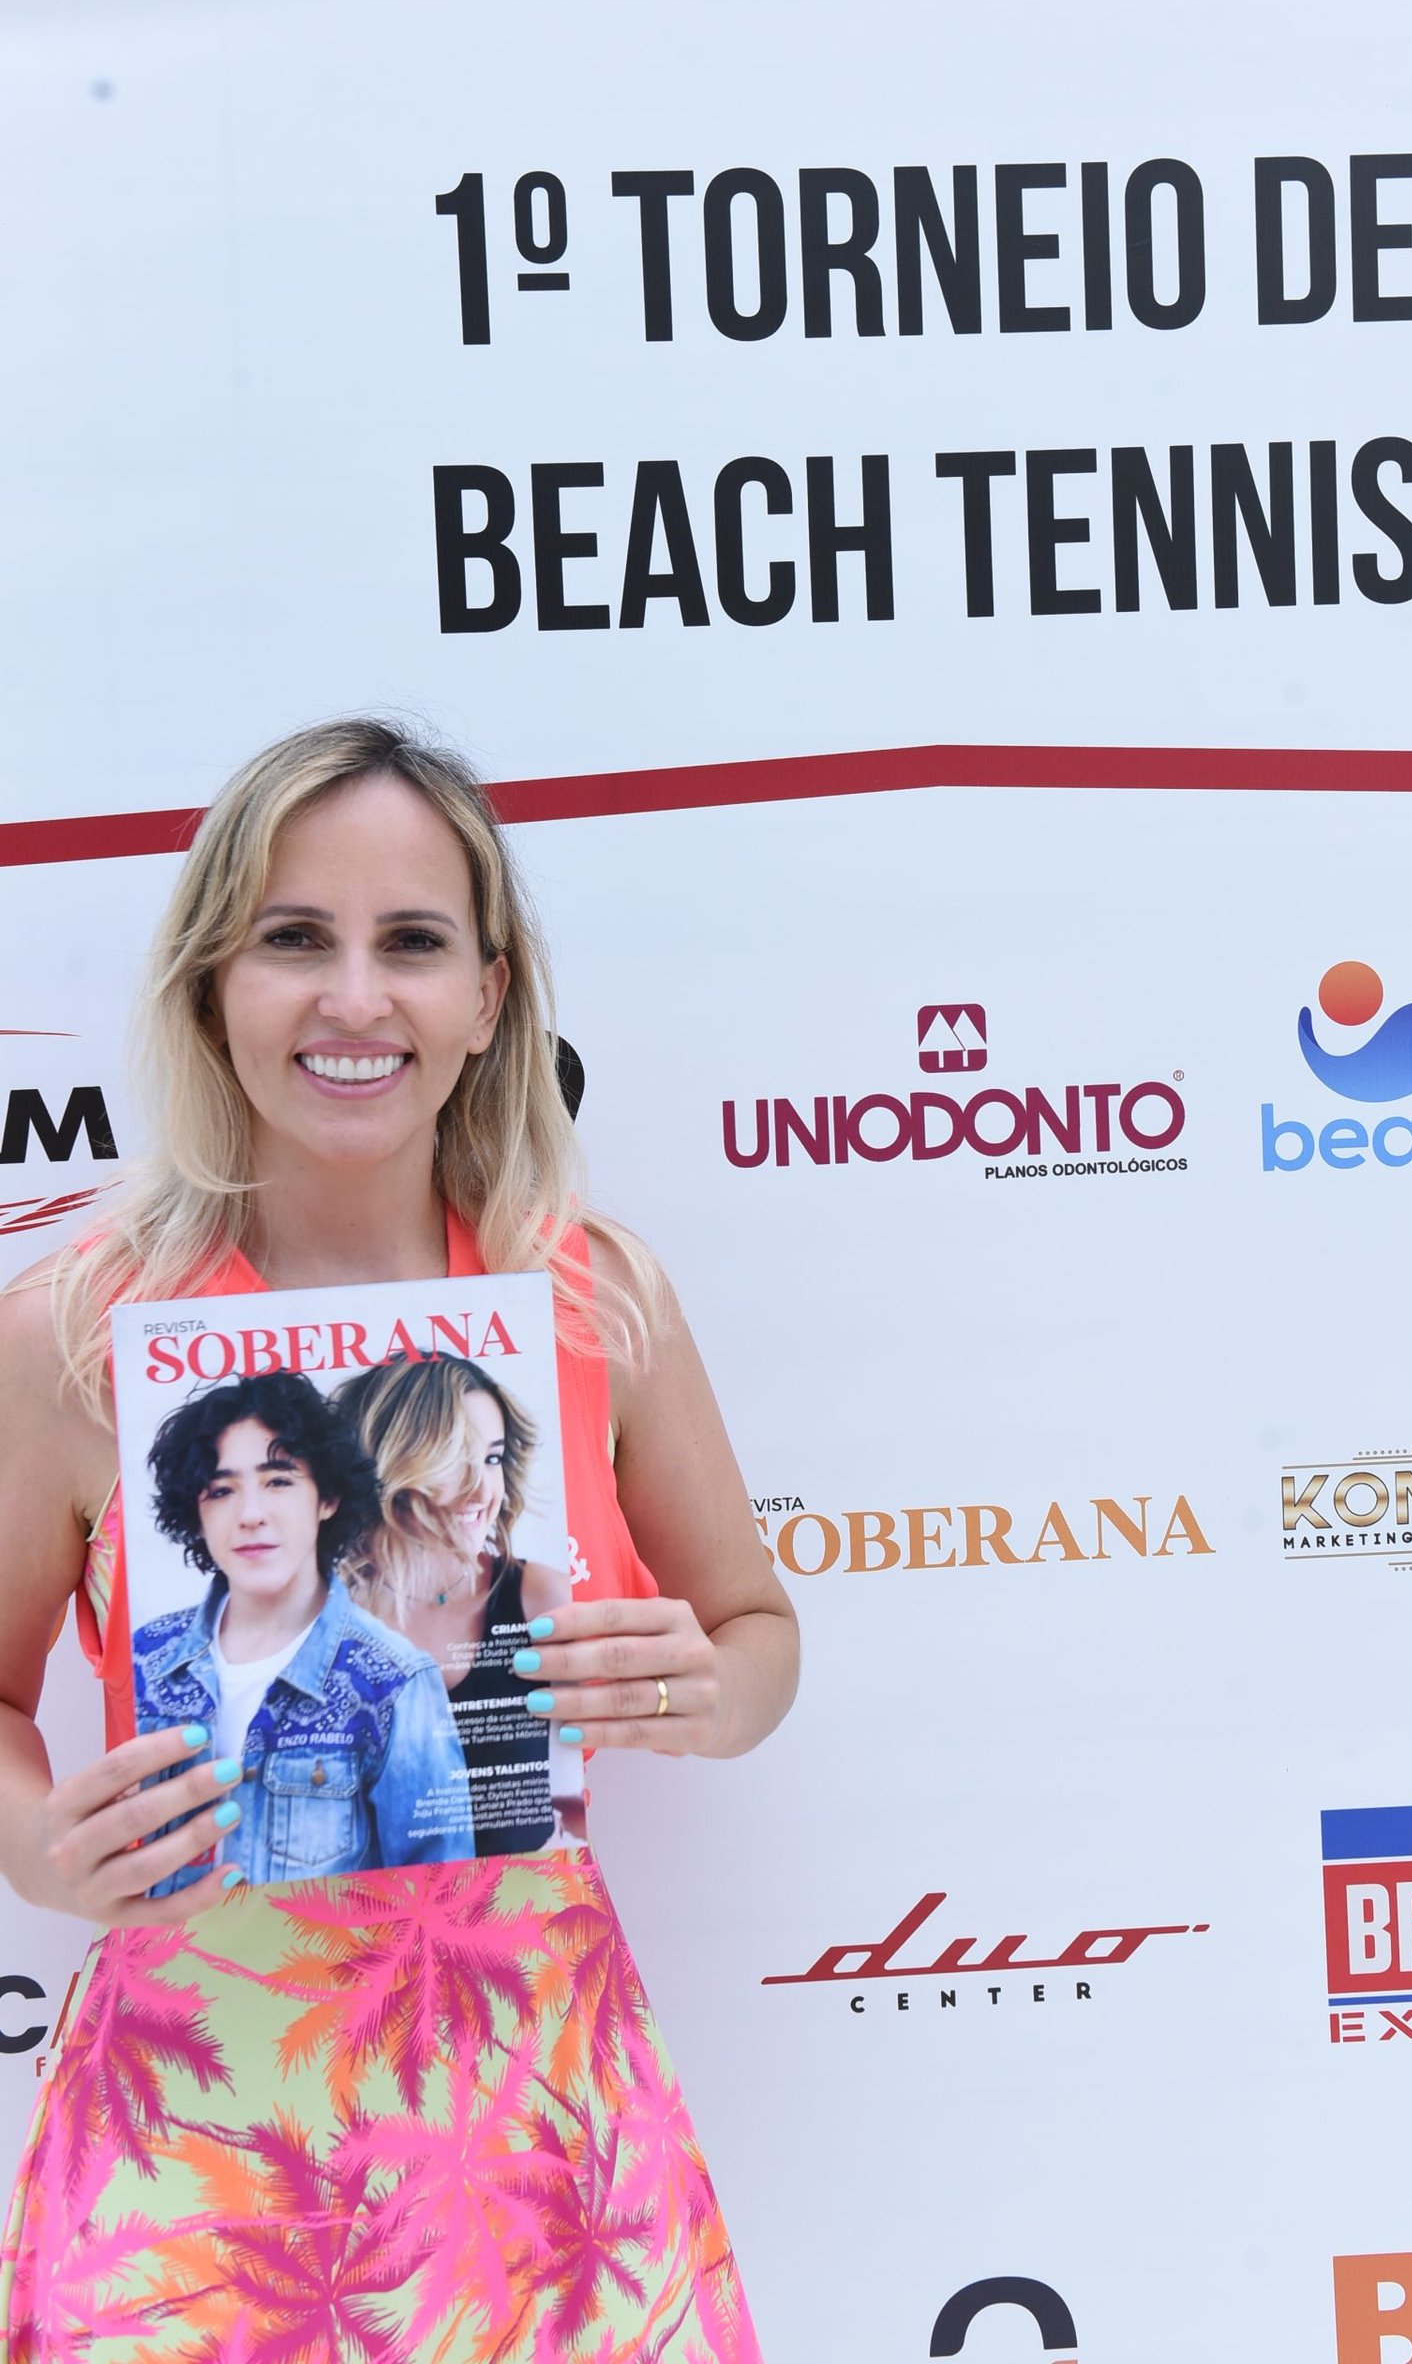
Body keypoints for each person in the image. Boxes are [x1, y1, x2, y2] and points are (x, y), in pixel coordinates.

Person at [0, 717, 797, 2360]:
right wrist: (30, 1844)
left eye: (413, 943)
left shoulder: (597, 1301)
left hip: (535, 2122)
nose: (355, 999)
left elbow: (756, 1632)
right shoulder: (71, 1339)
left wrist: (709, 1694)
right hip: (197, 2138)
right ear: (212, 985)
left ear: (488, 998)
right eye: (295, 939)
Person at [134, 1370, 475, 1887]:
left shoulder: (394, 1679)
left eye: (278, 1481)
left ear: (327, 1498)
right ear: (196, 1513)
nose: (251, 1514)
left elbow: (441, 1890)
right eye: (221, 1490)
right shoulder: (147, 1658)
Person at [332, 1354, 576, 1854]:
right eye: (453, 1459)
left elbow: (567, 1809)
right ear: (388, 1462)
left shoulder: (540, 1599)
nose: (482, 1490)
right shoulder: (319, 1618)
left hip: (517, 1897)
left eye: (491, 1458)